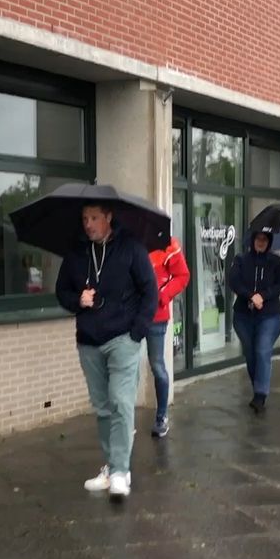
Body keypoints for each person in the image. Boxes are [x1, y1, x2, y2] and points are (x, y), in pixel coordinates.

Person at [55, 203, 157, 498]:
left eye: (95, 218)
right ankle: (111, 466)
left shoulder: (131, 249)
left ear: (108, 218)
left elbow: (150, 292)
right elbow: (62, 291)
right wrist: (78, 300)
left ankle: (121, 472)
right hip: (88, 341)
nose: (88, 224)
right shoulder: (76, 254)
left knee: (121, 403)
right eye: (84, 218)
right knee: (102, 407)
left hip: (122, 338)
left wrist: (137, 332)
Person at [230, 229, 280, 413]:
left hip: (269, 316)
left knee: (262, 350)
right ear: (252, 240)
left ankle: (260, 394)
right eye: (258, 238)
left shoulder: (276, 262)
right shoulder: (240, 260)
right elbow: (234, 281)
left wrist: (263, 295)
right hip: (243, 316)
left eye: (265, 239)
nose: (261, 242)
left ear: (269, 242)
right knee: (251, 353)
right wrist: (250, 296)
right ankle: (258, 385)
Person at [146, 238, 190, 438]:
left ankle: (161, 416)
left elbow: (182, 275)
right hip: (128, 316)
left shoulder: (167, 244)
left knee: (157, 366)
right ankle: (123, 420)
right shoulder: (127, 243)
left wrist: (162, 296)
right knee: (124, 367)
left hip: (156, 317)